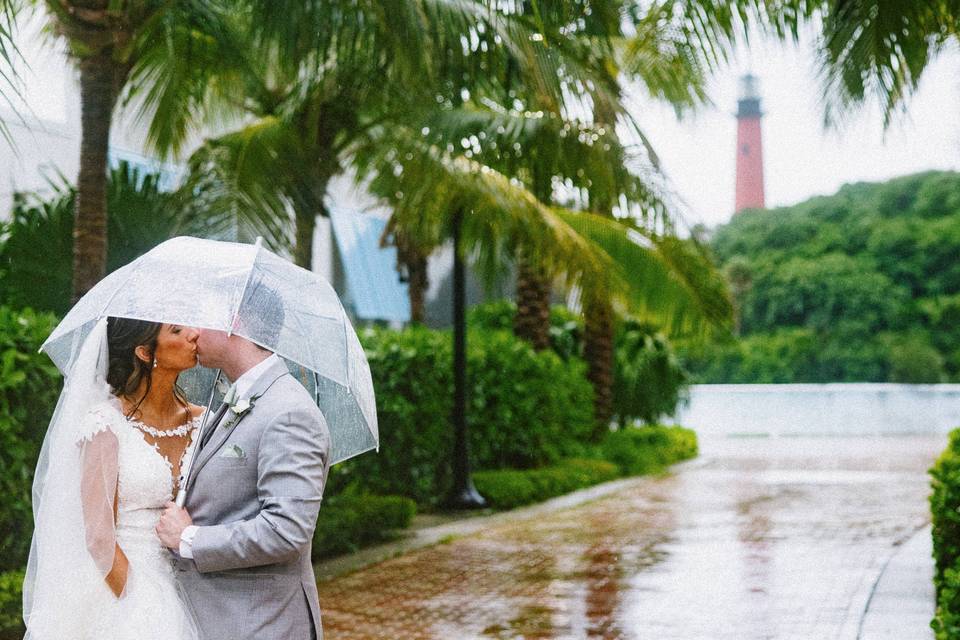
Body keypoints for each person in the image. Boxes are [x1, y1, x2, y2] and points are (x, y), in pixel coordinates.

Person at [156, 284, 331, 640]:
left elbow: (286, 531)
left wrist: (189, 538)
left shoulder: (289, 412)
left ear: (234, 321)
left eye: (200, 319)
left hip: (260, 624)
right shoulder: (236, 396)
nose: (193, 332)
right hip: (218, 618)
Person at [24, 317, 205, 639]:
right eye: (177, 331)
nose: (195, 335)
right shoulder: (106, 425)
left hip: (199, 581)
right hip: (125, 585)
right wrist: (140, 607)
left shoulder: (205, 421)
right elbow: (98, 537)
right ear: (146, 353)